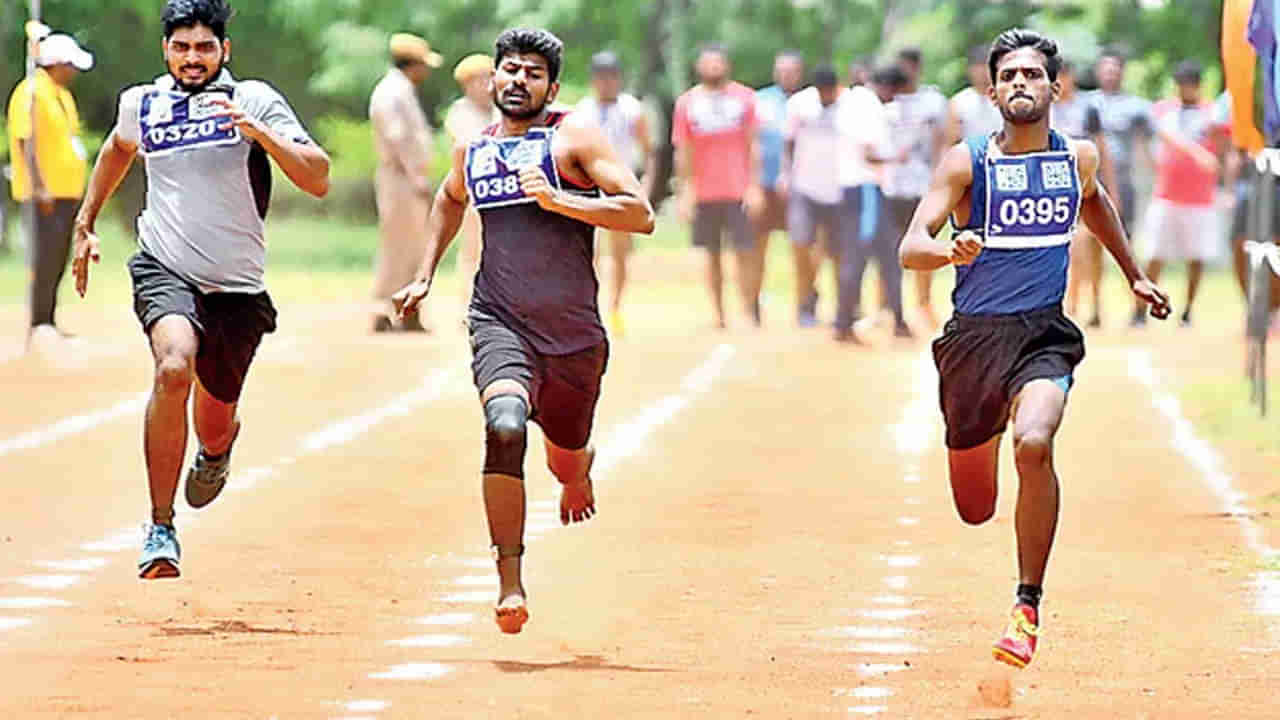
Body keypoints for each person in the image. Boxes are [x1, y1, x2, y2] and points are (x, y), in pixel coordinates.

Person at [899, 28, 1170, 669]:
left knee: (1037, 442)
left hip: (1041, 335)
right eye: (1009, 76)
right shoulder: (967, 162)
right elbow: (911, 247)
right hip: (972, 346)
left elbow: (1095, 204)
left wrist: (1133, 273)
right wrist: (949, 250)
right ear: (992, 91)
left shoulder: (1076, 158)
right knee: (974, 508)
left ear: (1056, 87)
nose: (1021, 83)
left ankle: (1026, 605)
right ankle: (986, 426)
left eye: (1033, 74)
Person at [392, 28, 654, 634]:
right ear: (492, 80)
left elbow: (639, 212)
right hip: (499, 318)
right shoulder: (474, 148)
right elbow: (449, 199)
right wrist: (424, 274)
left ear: (552, 87)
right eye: (509, 70)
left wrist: (565, 203)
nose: (517, 81)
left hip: (572, 334)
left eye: (532, 73)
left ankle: (577, 467)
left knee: (564, 457)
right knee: (504, 425)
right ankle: (510, 578)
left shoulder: (575, 138)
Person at [69, 0, 330, 579]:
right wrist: (85, 223)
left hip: (237, 288)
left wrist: (259, 133)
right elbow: (117, 147)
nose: (193, 58)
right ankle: (160, 527)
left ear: (224, 51)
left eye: (205, 47)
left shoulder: (254, 99)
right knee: (172, 368)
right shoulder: (143, 103)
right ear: (166, 49)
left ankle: (216, 451)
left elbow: (317, 177)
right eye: (182, 47)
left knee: (213, 420)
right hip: (165, 266)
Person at [7, 31, 94, 342]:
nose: (73, 72)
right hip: (43, 193)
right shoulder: (31, 93)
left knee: (58, 256)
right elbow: (24, 140)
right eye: (70, 65)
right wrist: (39, 186)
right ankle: (38, 321)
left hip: (66, 191)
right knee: (44, 257)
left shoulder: (61, 95)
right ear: (55, 63)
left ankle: (49, 319)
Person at [1131, 60, 1228, 328]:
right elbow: (1161, 135)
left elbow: (1224, 149)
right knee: (1154, 254)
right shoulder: (1164, 110)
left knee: (1196, 256)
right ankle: (1140, 310)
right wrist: (1195, 153)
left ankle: (1188, 310)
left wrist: (1225, 184)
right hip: (1167, 193)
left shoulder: (1212, 112)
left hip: (1201, 197)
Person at [673, 45, 763, 329]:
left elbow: (754, 145)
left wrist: (754, 186)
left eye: (717, 63)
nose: (713, 69)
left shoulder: (744, 98)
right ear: (699, 67)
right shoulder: (687, 103)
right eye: (707, 64)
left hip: (738, 190)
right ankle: (719, 313)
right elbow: (683, 150)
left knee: (744, 253)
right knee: (710, 254)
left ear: (727, 65)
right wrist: (685, 190)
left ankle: (748, 310)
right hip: (704, 192)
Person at [578, 50, 655, 337]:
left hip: (621, 185)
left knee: (620, 252)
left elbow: (648, 152)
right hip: (589, 186)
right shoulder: (583, 110)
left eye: (611, 77)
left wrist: (645, 184)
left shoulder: (632, 109)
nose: (606, 83)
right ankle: (591, 307)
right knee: (590, 251)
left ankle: (616, 306)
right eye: (601, 78)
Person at [369, 33, 442, 333]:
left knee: (413, 246)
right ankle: (386, 309)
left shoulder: (401, 91)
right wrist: (416, 177)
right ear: (412, 64)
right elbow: (397, 138)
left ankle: (406, 308)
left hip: (406, 177)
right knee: (400, 246)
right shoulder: (392, 92)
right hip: (400, 178)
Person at [835, 65, 911, 342]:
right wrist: (896, 158)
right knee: (861, 256)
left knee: (886, 256)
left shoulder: (854, 100)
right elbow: (869, 155)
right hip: (865, 189)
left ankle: (897, 320)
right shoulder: (867, 106)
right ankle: (843, 322)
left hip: (865, 189)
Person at [886, 47, 949, 329]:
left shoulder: (933, 102)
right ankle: (887, 307)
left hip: (923, 184)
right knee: (889, 248)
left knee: (924, 244)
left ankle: (923, 303)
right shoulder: (886, 101)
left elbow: (941, 142)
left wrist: (939, 181)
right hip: (891, 186)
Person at [1087, 48, 1153, 313]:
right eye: (1105, 69)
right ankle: (1095, 306)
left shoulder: (1136, 107)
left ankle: (1139, 307)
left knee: (1127, 244)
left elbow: (1144, 147)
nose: (1110, 74)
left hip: (1124, 183)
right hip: (1091, 178)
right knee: (1089, 245)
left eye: (1115, 69)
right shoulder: (1088, 104)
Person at [1054, 59, 1117, 328]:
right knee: (1070, 246)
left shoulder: (1086, 108)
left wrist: (1111, 189)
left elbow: (1102, 150)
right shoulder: (1045, 109)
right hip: (1055, 188)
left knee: (1091, 246)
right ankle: (1071, 302)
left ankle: (1094, 302)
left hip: (1085, 184)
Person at [783, 64, 843, 327]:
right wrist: (785, 174)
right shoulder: (800, 105)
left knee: (839, 252)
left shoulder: (849, 105)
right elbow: (789, 142)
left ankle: (846, 304)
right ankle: (806, 300)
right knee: (801, 245)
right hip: (805, 187)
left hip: (840, 189)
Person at [445, 53, 499, 327]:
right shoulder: (460, 113)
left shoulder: (499, 111)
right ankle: (467, 305)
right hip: (473, 191)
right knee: (472, 251)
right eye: (482, 79)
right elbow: (469, 145)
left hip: (499, 190)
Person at [753, 51, 806, 322]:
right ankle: (753, 306)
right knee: (757, 247)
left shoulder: (809, 101)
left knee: (803, 248)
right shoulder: (759, 101)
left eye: (792, 70)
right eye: (782, 70)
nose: (787, 75)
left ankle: (804, 305)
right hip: (764, 186)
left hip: (800, 189)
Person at [946, 45, 1003, 145]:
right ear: (969, 70)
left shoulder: (1005, 98)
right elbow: (952, 140)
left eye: (986, 66)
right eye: (978, 67)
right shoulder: (958, 102)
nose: (982, 72)